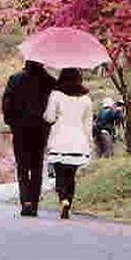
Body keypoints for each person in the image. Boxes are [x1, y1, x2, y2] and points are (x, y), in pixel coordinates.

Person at [2, 59, 55, 216]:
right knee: (37, 166)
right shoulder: (49, 81)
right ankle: (35, 203)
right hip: (41, 129)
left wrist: (11, 122)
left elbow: (6, 103)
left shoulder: (15, 79)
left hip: (20, 129)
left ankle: (26, 202)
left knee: (23, 166)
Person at [44, 68, 95, 219]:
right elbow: (88, 124)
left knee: (60, 174)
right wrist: (89, 142)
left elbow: (50, 117)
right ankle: (69, 203)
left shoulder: (56, 95)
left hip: (60, 139)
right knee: (71, 175)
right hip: (78, 140)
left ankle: (63, 199)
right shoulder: (86, 99)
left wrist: (47, 116)